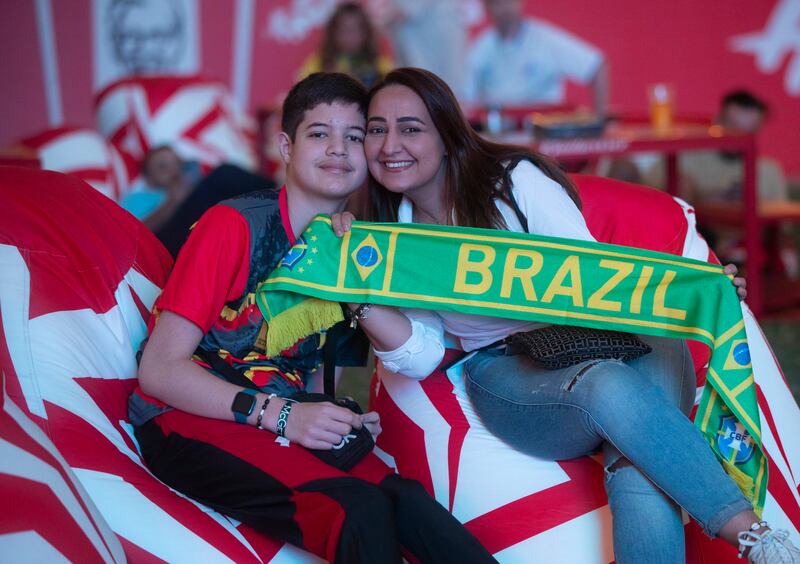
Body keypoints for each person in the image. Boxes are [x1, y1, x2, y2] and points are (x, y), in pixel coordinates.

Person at [333, 67, 800, 563]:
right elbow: (423, 355)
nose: (390, 145)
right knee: (608, 387)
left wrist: (700, 288)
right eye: (377, 130)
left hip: (605, 335)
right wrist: (356, 288)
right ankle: (758, 539)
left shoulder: (513, 182)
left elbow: (593, 276)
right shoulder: (389, 240)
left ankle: (766, 546)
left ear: (447, 135)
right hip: (507, 370)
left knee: (640, 462)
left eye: (410, 128)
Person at [131, 72, 496, 564]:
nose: (338, 150)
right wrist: (282, 415)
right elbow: (159, 370)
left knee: (412, 507)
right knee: (357, 509)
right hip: (193, 415)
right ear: (286, 146)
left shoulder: (354, 248)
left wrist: (342, 411)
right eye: (319, 134)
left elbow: (339, 376)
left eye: (353, 136)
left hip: (282, 415)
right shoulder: (233, 224)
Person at [645, 90, 797, 278]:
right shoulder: (687, 157)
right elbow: (651, 196)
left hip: (753, 257)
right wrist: (702, 201)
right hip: (699, 252)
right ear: (718, 121)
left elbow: (782, 233)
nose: (738, 137)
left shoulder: (768, 170)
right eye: (732, 127)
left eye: (748, 132)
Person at [463, 0, 608, 115]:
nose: (506, 8)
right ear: (486, 7)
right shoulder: (480, 48)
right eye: (498, 2)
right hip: (499, 137)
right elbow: (465, 101)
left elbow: (597, 67)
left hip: (545, 133)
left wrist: (600, 125)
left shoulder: (545, 39)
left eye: (510, 1)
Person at [299, 2, 393, 88]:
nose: (349, 35)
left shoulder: (381, 66)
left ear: (366, 33)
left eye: (355, 30)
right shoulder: (317, 65)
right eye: (343, 29)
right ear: (333, 32)